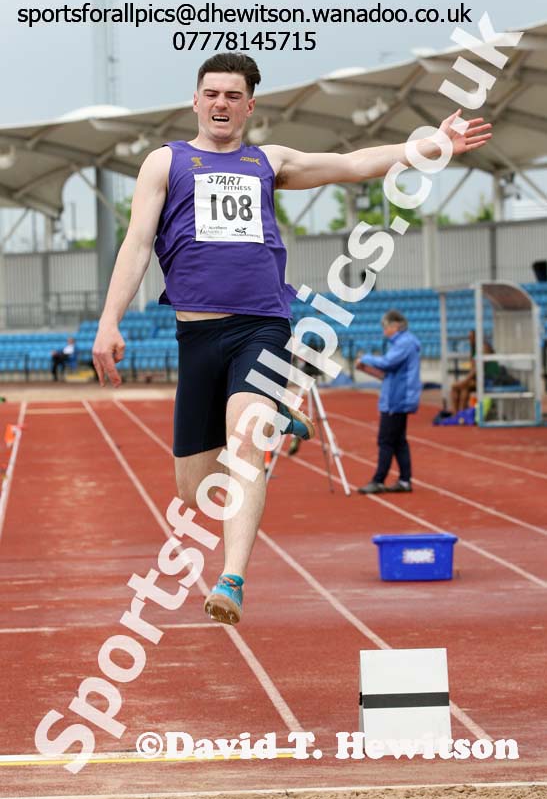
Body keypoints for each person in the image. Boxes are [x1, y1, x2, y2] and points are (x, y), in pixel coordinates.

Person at [92, 53, 492, 625]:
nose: (222, 103)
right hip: (196, 337)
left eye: (233, 95)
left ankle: (232, 579)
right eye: (212, 93)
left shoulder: (268, 161)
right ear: (196, 100)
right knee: (192, 490)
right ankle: (281, 414)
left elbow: (354, 164)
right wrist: (110, 321)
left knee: (246, 449)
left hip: (261, 325)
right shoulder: (165, 162)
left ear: (250, 105)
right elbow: (135, 244)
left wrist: (429, 145)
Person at [355, 310, 421, 494]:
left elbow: (387, 363)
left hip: (397, 399)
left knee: (385, 441)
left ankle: (378, 480)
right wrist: (366, 368)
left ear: (396, 325)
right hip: (396, 397)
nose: (384, 331)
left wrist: (365, 358)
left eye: (386, 326)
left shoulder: (405, 343)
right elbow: (387, 373)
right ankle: (405, 480)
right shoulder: (403, 343)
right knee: (399, 441)